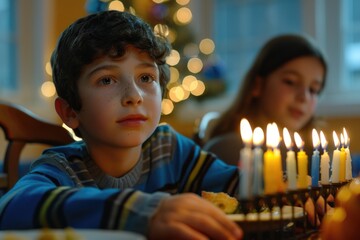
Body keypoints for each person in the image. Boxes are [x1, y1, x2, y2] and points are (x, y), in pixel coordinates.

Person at [0, 10, 243, 240]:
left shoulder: (170, 150)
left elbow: (244, 189)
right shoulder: (62, 168)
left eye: (146, 78)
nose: (134, 95)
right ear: (70, 112)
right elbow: (10, 208)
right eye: (107, 80)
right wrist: (141, 211)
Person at [203, 34, 328, 166]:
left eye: (313, 89)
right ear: (258, 85)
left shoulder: (316, 157)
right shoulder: (226, 151)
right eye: (290, 82)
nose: (304, 97)